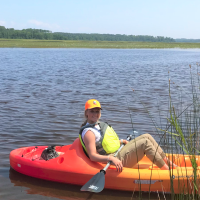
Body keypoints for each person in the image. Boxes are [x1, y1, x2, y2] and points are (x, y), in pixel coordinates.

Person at [79, 99, 176, 172]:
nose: (95, 114)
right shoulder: (89, 133)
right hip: (114, 160)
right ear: (86, 112)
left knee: (147, 136)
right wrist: (111, 158)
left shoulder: (97, 125)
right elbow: (93, 156)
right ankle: (167, 171)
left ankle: (170, 164)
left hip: (118, 153)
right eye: (92, 111)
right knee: (145, 143)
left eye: (97, 111)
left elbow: (104, 143)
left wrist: (122, 141)